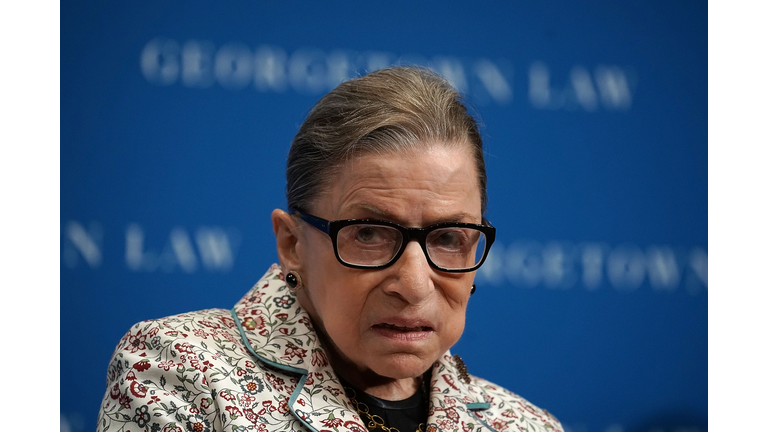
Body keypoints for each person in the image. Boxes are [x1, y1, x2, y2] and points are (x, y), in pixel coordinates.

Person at [97, 66, 563, 432]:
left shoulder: (524, 425)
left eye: (447, 238)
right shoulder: (180, 371)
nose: (414, 284)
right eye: (368, 233)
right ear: (292, 244)